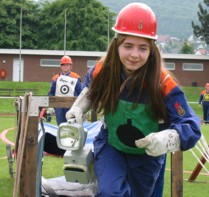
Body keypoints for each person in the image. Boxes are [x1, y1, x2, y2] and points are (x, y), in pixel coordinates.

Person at [65, 3, 201, 197]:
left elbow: (191, 126)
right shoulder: (103, 70)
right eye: (128, 46)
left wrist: (167, 138)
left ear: (152, 49)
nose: (134, 55)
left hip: (147, 157)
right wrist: (79, 108)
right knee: (110, 192)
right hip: (111, 147)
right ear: (117, 44)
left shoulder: (163, 83)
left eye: (142, 48)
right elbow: (91, 90)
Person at [48, 55, 83, 125]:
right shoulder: (55, 78)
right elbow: (51, 93)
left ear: (70, 66)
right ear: (61, 66)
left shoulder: (76, 77)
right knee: (61, 126)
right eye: (63, 65)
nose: (65, 67)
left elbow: (81, 93)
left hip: (72, 106)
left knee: (73, 126)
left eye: (67, 65)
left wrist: (81, 107)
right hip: (59, 107)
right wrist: (51, 106)